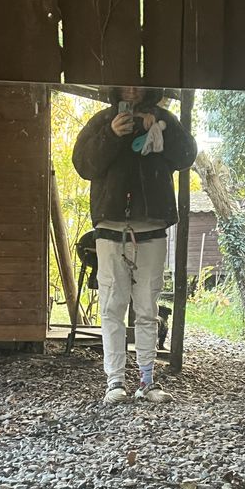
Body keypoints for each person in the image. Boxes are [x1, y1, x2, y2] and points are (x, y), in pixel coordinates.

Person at [72, 86, 197, 403]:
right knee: (111, 307)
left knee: (147, 308)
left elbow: (187, 156)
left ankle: (146, 381)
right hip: (110, 228)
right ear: (115, 88)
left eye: (138, 84)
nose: (132, 90)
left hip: (152, 227)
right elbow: (84, 165)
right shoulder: (102, 120)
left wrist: (160, 130)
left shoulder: (164, 118)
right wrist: (111, 135)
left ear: (149, 87)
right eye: (126, 84)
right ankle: (114, 382)